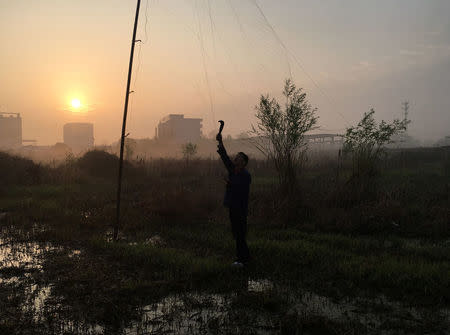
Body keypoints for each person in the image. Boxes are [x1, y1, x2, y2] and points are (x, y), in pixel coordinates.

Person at [216, 132, 251, 267]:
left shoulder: (246, 175)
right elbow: (225, 157)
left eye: (239, 158)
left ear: (244, 163)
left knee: (240, 233)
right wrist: (220, 142)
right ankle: (245, 257)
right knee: (237, 233)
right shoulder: (233, 171)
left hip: (240, 209)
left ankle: (241, 259)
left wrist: (230, 184)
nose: (236, 159)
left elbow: (242, 190)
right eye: (236, 158)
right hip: (232, 207)